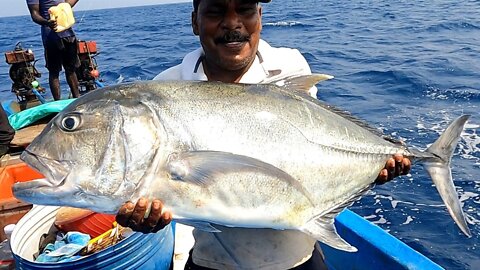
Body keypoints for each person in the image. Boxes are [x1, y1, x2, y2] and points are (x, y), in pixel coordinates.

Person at [116, 0, 412, 269]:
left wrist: (375, 161)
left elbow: (311, 154)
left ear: (260, 16)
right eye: (216, 11)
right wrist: (148, 215)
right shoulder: (166, 87)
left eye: (244, 9)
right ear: (195, 20)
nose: (232, 24)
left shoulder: (288, 66)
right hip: (213, 262)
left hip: (297, 260)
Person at [26, 0, 81, 100]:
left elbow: (66, 5)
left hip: (68, 34)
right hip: (50, 36)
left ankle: (77, 99)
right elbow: (34, 14)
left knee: (71, 70)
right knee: (54, 72)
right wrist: (47, 22)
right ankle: (57, 102)